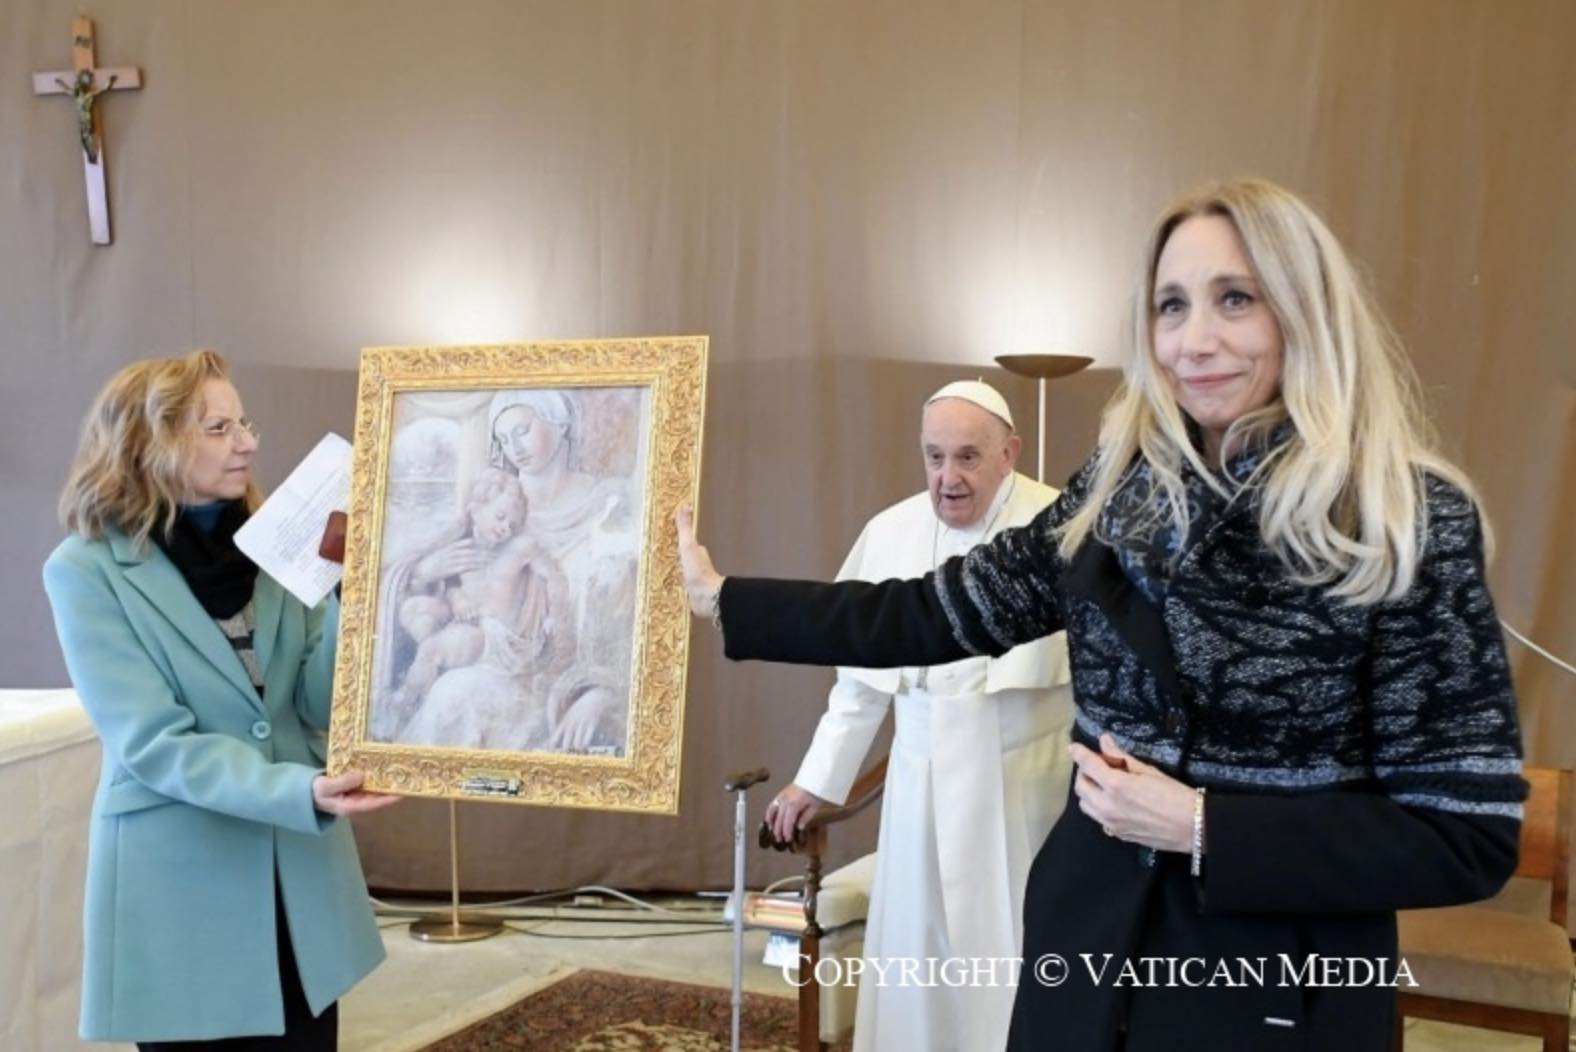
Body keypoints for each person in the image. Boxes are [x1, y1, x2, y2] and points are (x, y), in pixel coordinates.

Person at [678, 179, 1526, 1052]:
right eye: (1171, 305)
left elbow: (1466, 834)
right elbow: (938, 608)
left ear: (1307, 310)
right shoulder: (1121, 488)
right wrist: (728, 599)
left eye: (1235, 298)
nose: (1195, 340)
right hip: (1087, 938)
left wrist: (1205, 828)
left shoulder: (1404, 517)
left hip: (1273, 971)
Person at [42, 350, 398, 1050]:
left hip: (298, 885)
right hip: (181, 896)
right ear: (147, 441)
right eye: (218, 428)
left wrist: (354, 595)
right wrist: (300, 790)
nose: (248, 443)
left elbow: (317, 703)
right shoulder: (84, 572)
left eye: (245, 423)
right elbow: (152, 743)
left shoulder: (279, 547)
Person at [765, 380, 1074, 1052]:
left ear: (1010, 453)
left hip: (1024, 785)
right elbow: (859, 684)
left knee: (1015, 950)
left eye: (968, 457)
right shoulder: (891, 531)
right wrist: (816, 780)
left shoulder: (1058, 526)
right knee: (919, 954)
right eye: (934, 457)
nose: (947, 478)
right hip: (920, 787)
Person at [389, 466, 567, 727]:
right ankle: (418, 693)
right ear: (475, 511)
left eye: (513, 524)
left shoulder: (520, 547)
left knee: (430, 651)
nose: (506, 528)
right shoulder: (462, 545)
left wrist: (555, 616)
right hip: (466, 621)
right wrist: (458, 599)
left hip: (494, 637)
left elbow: (554, 577)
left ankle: (407, 703)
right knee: (417, 612)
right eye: (500, 517)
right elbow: (451, 585)